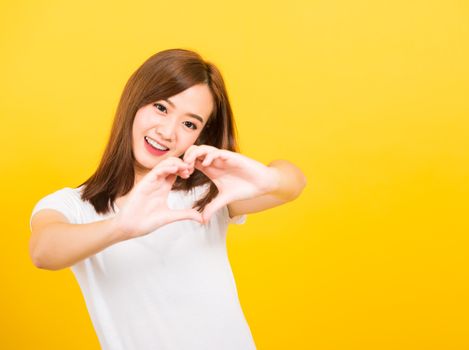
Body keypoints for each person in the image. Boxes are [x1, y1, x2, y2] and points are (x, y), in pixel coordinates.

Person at [29, 48, 306, 350]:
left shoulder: (206, 193)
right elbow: (43, 251)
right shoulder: (74, 206)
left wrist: (269, 180)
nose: (168, 132)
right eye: (161, 108)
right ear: (134, 102)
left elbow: (293, 183)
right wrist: (121, 227)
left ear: (199, 135)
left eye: (190, 124)